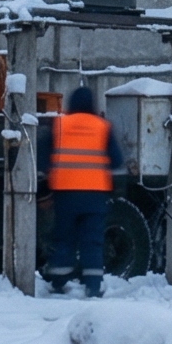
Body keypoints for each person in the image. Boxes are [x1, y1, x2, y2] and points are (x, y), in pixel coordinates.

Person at [44, 85, 124, 296]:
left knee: (64, 237)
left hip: (65, 193)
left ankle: (59, 281)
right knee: (92, 241)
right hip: (95, 195)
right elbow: (116, 160)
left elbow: (43, 156)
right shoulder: (103, 127)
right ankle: (93, 286)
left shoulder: (59, 124)